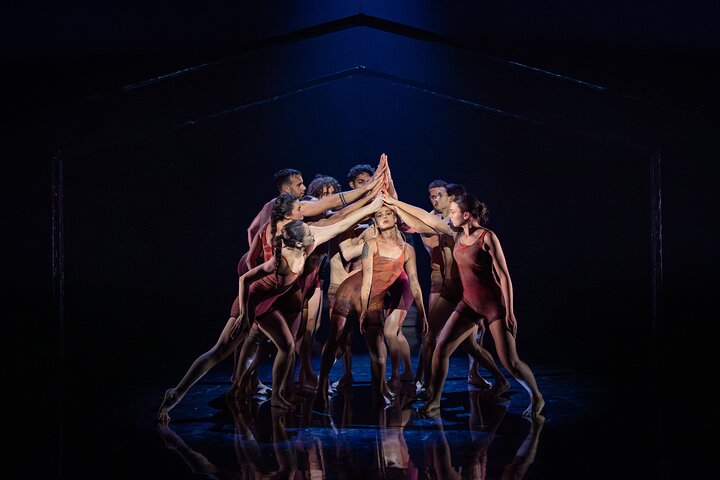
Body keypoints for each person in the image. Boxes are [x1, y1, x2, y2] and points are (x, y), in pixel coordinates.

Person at [158, 195, 385, 422]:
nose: (312, 232)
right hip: (251, 301)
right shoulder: (282, 258)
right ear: (298, 242)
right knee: (220, 350)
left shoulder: (303, 242)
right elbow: (245, 280)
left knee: (286, 346)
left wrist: (374, 205)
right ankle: (176, 394)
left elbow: (341, 223)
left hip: (268, 304)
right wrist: (246, 316)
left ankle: (276, 396)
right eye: (307, 231)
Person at [383, 194, 544, 418]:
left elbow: (504, 276)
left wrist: (510, 311)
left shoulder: (487, 237)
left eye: (453, 212)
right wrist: (394, 202)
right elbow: (423, 218)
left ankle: (537, 397)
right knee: (441, 349)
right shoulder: (455, 232)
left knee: (510, 361)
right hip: (468, 304)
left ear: (466, 215)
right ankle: (435, 401)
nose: (449, 215)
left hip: (492, 305)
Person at [313, 203, 429, 410]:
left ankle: (379, 391)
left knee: (378, 351)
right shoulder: (372, 244)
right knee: (335, 339)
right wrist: (364, 310)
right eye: (379, 215)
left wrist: (423, 314)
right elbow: (367, 280)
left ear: (396, 219)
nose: (383, 217)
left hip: (375, 296)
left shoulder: (407, 249)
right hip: (352, 291)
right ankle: (321, 385)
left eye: (387, 214)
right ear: (374, 221)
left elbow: (415, 283)